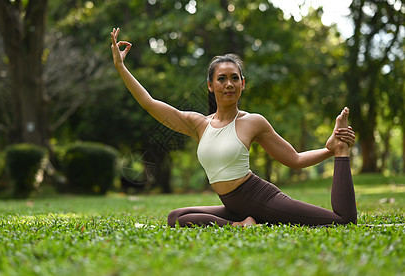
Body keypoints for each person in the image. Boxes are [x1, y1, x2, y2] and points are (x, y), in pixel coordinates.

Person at [110, 28, 357, 227]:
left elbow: (295, 159)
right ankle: (242, 224)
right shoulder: (199, 124)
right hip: (233, 205)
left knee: (341, 221)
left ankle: (341, 152)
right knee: (176, 217)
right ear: (210, 85)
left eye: (234, 78)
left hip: (261, 198)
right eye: (221, 79)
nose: (229, 84)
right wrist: (122, 68)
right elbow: (150, 104)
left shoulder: (253, 122)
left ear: (242, 84)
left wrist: (332, 149)